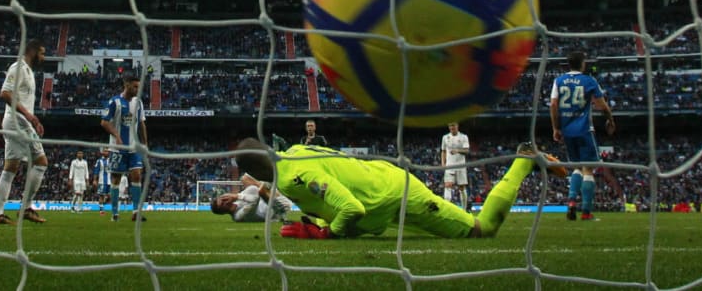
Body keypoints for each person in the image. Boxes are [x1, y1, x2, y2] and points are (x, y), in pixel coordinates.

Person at [234, 139, 566, 239]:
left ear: (254, 172)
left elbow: (352, 210)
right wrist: (321, 222)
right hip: (382, 191)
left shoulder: (297, 176)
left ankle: (523, 159)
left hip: (396, 194)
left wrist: (328, 233)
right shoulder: (294, 151)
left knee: (484, 229)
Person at [550, 51, 615, 221]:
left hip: (568, 131)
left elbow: (554, 105)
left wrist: (556, 128)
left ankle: (571, 202)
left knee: (577, 168)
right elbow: (602, 105)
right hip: (585, 129)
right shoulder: (589, 81)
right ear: (583, 64)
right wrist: (610, 120)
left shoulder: (559, 81)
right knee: (588, 169)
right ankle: (586, 212)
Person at [0, 39, 47, 225]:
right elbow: (5, 93)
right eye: (42, 53)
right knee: (40, 162)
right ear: (32, 51)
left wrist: (32, 119)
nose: (43, 57)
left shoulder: (29, 71)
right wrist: (29, 117)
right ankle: (25, 208)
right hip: (17, 122)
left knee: (11, 167)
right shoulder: (18, 68)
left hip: (21, 122)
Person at [100, 76, 148, 222]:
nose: (137, 89)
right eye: (134, 86)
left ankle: (136, 212)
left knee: (137, 176)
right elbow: (104, 122)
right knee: (116, 179)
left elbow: (141, 124)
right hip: (117, 148)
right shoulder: (114, 102)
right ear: (126, 85)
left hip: (133, 147)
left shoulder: (138, 102)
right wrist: (117, 135)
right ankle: (115, 213)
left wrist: (145, 144)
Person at [211, 173, 292, 222]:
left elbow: (253, 190)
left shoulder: (237, 201)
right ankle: (275, 178)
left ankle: (273, 178)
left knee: (245, 178)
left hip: (272, 196)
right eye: (222, 203)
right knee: (261, 190)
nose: (225, 200)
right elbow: (255, 199)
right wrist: (237, 196)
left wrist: (237, 196)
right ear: (222, 212)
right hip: (280, 207)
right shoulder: (238, 216)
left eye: (223, 198)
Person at [440, 122, 471, 211]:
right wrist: (443, 162)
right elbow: (443, 151)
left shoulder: (464, 137)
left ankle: (464, 210)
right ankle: (447, 209)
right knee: (448, 185)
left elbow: (467, 150)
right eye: (450, 125)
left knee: (462, 187)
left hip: (461, 165)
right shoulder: (445, 137)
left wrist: (457, 150)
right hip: (449, 165)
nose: (451, 127)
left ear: (457, 126)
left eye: (453, 125)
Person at [93, 148, 111, 215]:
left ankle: (103, 205)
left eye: (107, 151)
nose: (106, 152)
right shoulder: (99, 161)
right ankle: (101, 211)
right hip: (102, 181)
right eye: (105, 151)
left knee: (110, 196)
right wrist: (95, 180)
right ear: (102, 152)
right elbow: (96, 171)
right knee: (101, 196)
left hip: (110, 181)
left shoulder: (111, 160)